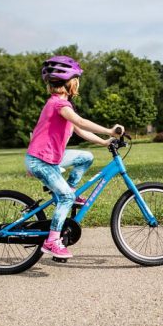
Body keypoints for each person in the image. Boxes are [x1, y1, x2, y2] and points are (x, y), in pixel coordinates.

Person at [25, 55, 124, 259]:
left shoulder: (63, 106)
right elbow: (81, 120)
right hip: (40, 161)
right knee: (66, 198)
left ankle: (70, 188)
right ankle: (52, 241)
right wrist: (109, 130)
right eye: (76, 80)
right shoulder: (59, 105)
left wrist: (105, 142)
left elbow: (80, 129)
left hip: (51, 158)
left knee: (85, 157)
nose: (77, 84)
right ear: (71, 82)